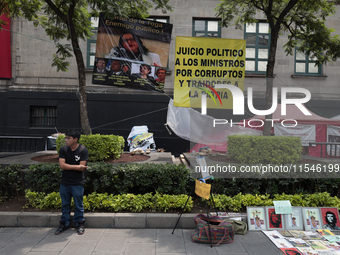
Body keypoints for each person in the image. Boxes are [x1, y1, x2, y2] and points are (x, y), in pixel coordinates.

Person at [55, 129, 89, 235]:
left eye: (68, 138)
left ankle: (80, 223)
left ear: (75, 139)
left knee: (78, 205)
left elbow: (82, 168)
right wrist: (77, 166)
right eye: (65, 137)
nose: (66, 140)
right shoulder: (64, 150)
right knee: (65, 204)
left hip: (77, 183)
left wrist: (72, 167)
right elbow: (62, 165)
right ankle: (64, 223)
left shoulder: (83, 150)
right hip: (65, 182)